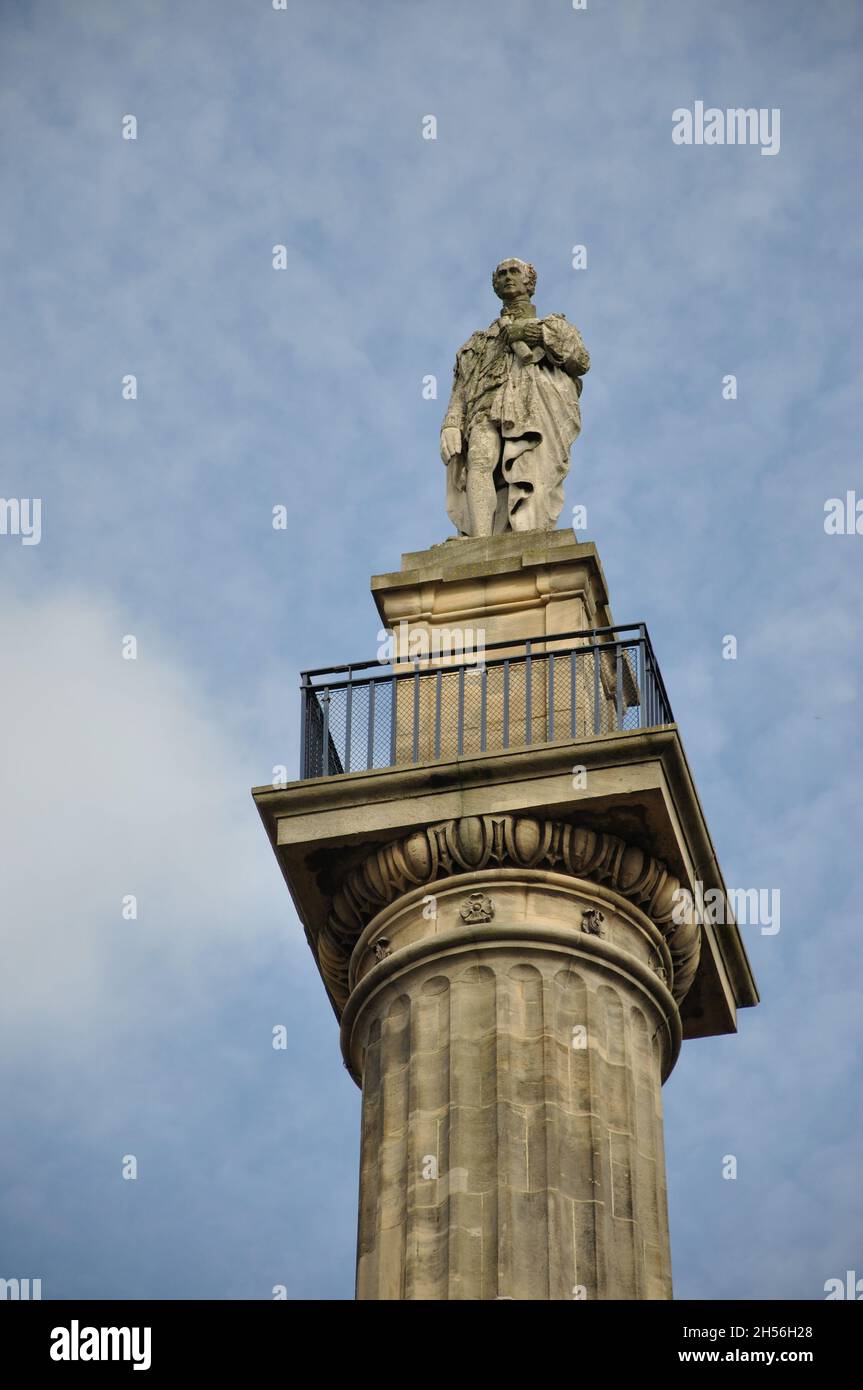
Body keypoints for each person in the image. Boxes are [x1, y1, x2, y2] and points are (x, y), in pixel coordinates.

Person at [440, 258, 590, 536]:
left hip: (527, 409)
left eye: (514, 272)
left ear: (529, 282)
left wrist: (537, 334)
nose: (508, 277)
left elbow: (580, 361)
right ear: (495, 283)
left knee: (528, 467)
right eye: (501, 274)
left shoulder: (554, 325)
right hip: (484, 407)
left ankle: (526, 530)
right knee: (479, 461)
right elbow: (461, 387)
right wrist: (451, 423)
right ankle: (480, 540)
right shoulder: (478, 342)